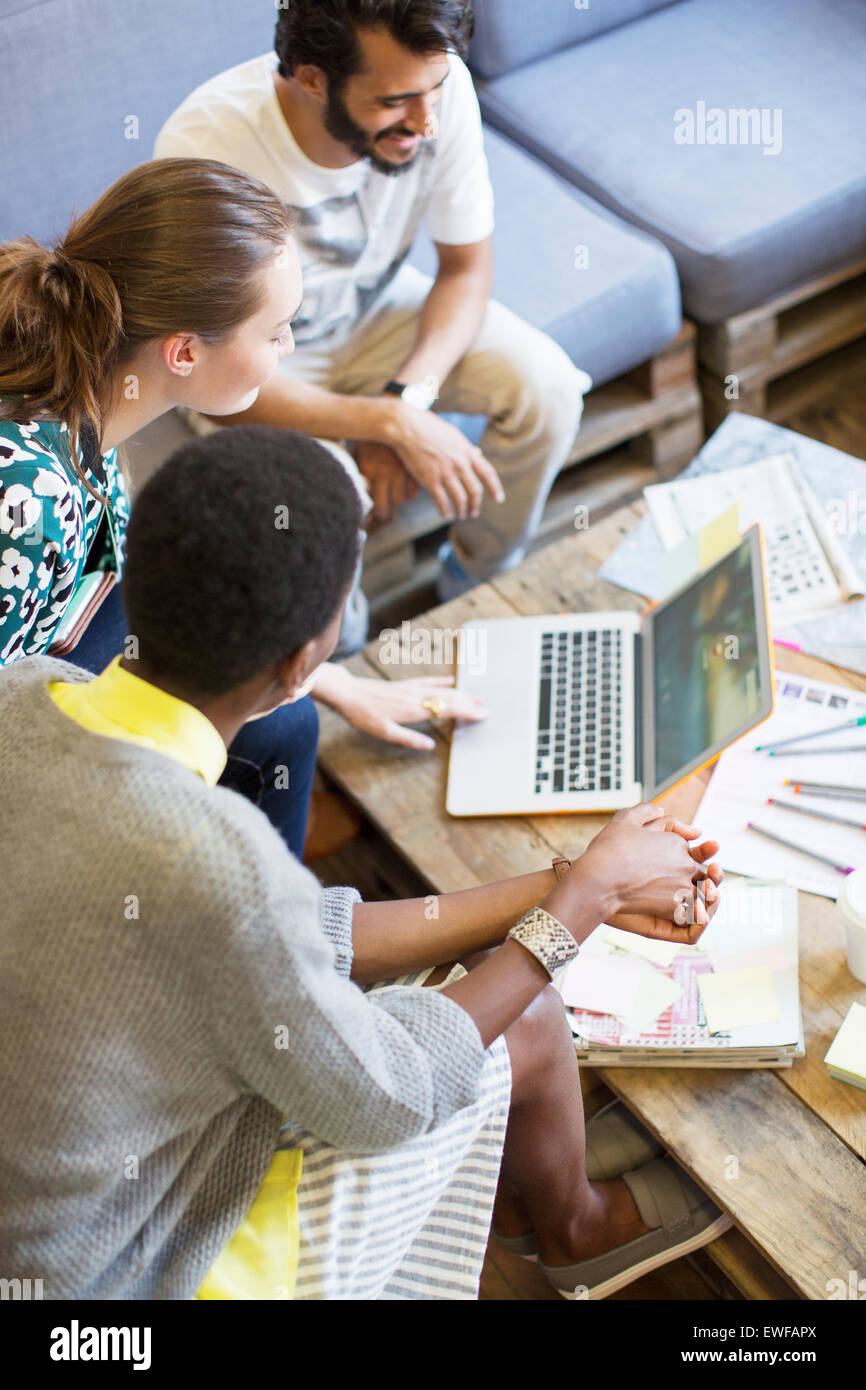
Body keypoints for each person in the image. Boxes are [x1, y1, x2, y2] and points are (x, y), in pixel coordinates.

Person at [0, 424, 727, 1301]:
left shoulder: (25, 693)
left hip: (44, 1200)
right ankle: (571, 1230)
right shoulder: (215, 859)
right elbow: (385, 1095)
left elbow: (280, 937)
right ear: (308, 662)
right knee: (520, 1010)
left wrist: (566, 887)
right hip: (119, 1270)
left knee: (501, 995)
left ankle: (536, 1203)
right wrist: (582, 902)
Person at [0, 157, 485, 859]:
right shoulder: (28, 507)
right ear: (185, 352)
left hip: (56, 649)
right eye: (277, 331)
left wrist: (326, 680)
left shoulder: (83, 395)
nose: (289, 348)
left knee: (285, 725)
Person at [154, 0, 593, 633]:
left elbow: (466, 270)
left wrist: (407, 403)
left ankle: (477, 585)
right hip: (254, 359)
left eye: (434, 89)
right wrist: (386, 423)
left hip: (375, 311)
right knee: (326, 505)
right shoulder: (206, 151)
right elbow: (210, 382)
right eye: (393, 101)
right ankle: (346, 655)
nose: (426, 121)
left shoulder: (437, 94)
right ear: (312, 78)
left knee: (547, 388)